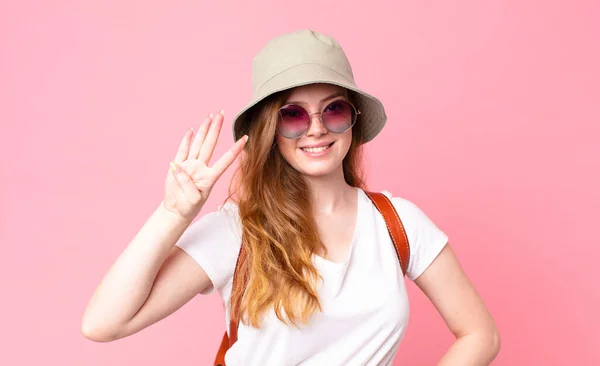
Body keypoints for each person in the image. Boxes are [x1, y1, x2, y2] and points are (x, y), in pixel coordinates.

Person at [81, 29, 500, 365]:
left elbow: (481, 334)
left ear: (352, 120)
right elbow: (103, 324)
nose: (316, 129)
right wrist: (173, 213)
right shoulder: (238, 231)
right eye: (293, 114)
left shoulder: (397, 223)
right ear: (270, 131)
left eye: (333, 109)